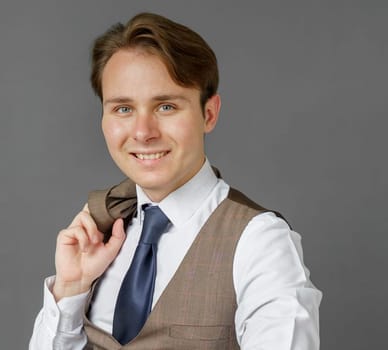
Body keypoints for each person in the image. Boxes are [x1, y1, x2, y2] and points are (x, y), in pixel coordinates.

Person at [29, 12, 322, 350]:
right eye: (123, 109)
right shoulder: (102, 228)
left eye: (166, 106)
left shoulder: (261, 243)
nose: (143, 132)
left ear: (208, 114)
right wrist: (71, 289)